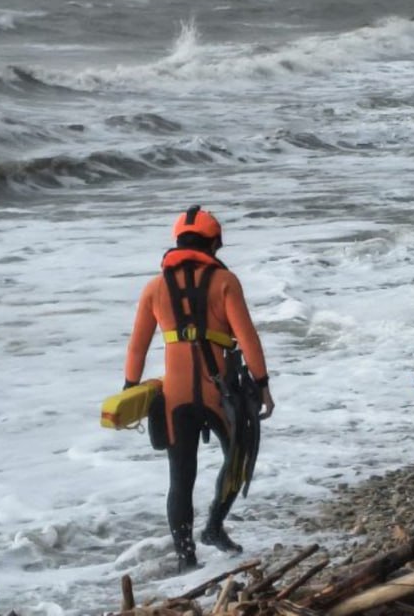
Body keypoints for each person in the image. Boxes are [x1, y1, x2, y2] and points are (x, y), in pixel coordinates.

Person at [124, 206, 275, 572]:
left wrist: (129, 388)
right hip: (218, 394)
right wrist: (262, 384)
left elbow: (137, 347)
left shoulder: (154, 287)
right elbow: (247, 338)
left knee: (181, 479)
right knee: (237, 460)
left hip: (175, 397)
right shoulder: (225, 282)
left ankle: (185, 557)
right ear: (213, 243)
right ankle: (213, 526)